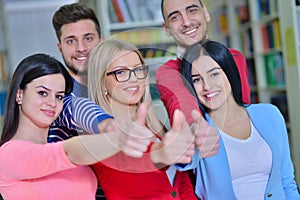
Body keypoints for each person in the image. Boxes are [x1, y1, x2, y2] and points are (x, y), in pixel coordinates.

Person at [0, 53, 160, 199]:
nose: (52, 103)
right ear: (19, 94)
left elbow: (79, 108)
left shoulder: (60, 139)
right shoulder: (8, 154)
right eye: (42, 93)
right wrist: (117, 139)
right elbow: (68, 152)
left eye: (59, 96)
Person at [179, 40, 300, 199]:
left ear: (229, 72)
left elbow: (287, 181)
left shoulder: (270, 115)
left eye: (214, 74)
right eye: (196, 79)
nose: (207, 86)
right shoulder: (200, 132)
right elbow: (181, 158)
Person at [87, 38, 202, 199]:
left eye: (138, 69)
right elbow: (133, 161)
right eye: (121, 72)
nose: (133, 78)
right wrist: (164, 152)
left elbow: (183, 187)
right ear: (102, 82)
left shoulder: (157, 127)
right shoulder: (98, 135)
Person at [156, 0, 251, 125]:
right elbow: (182, 105)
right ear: (167, 29)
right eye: (175, 17)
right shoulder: (169, 73)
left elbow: (244, 108)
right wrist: (196, 128)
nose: (187, 22)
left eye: (192, 10)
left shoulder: (235, 57)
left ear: (205, 13)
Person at [48, 3, 112, 143]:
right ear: (60, 47)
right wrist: (109, 126)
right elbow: (76, 109)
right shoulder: (57, 95)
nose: (81, 48)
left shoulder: (115, 82)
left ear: (101, 41)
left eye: (88, 38)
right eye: (71, 41)